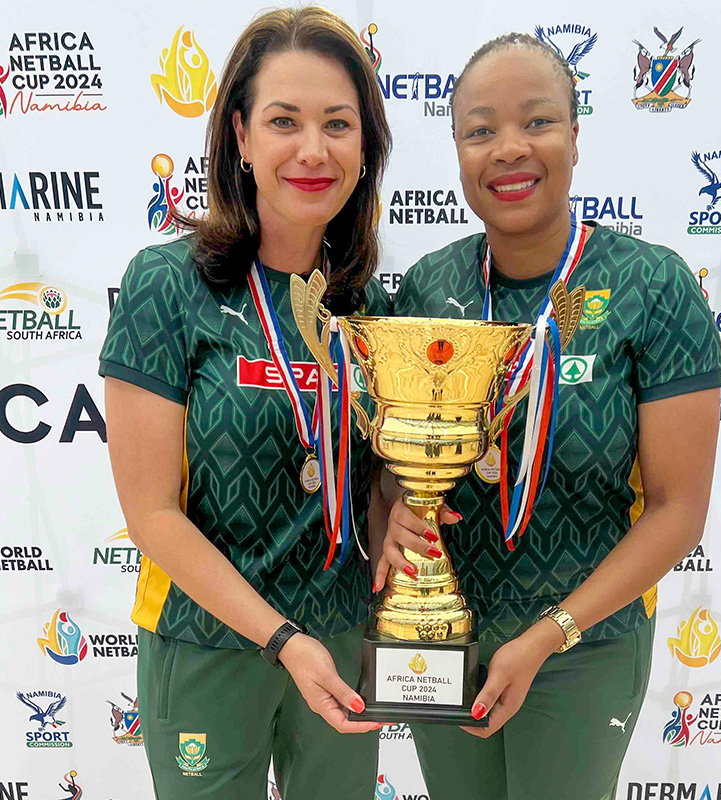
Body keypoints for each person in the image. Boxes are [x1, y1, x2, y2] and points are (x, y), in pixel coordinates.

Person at [376, 33, 721, 800]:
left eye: (537, 122)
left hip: (581, 647)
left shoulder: (652, 286)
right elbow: (389, 467)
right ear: (457, 150)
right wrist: (391, 513)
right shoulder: (429, 290)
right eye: (479, 130)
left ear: (574, 136)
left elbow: (677, 511)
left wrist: (546, 637)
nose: (508, 149)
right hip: (445, 637)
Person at [99, 7, 391, 799]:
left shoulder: (370, 308)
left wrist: (400, 511)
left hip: (338, 643)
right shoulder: (168, 286)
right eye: (283, 121)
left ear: (366, 147)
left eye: (338, 123)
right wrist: (282, 639)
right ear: (239, 135)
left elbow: (370, 474)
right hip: (209, 643)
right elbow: (152, 514)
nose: (312, 149)